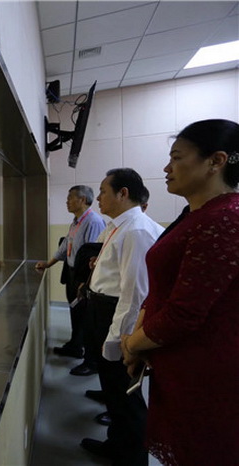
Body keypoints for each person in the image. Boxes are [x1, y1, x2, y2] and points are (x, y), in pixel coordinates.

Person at [121, 119, 239, 466]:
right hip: (173, 361)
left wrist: (132, 344)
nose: (166, 168)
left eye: (176, 158)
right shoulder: (193, 215)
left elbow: (185, 312)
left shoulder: (224, 219)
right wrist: (139, 340)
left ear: (216, 161)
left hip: (206, 371)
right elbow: (161, 286)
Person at [79, 168, 163, 465]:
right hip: (104, 310)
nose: (98, 198)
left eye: (103, 191)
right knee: (113, 390)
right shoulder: (121, 226)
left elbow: (134, 295)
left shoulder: (136, 230)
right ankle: (117, 444)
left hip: (116, 317)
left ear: (123, 193)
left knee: (125, 394)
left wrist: (117, 341)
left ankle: (132, 458)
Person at [36, 186, 106, 368]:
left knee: (86, 317)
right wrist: (48, 263)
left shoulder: (93, 222)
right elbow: (65, 246)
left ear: (82, 200)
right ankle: (75, 345)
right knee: (75, 312)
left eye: (70, 198)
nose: (67, 202)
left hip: (84, 276)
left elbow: (92, 255)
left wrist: (85, 282)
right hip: (72, 272)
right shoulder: (76, 222)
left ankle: (90, 361)